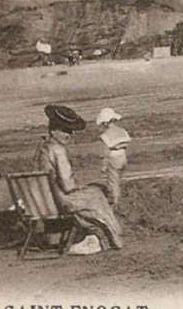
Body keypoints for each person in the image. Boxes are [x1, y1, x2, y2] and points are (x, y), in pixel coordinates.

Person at [34, 105, 123, 255]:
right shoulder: (58, 150)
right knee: (97, 193)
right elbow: (68, 184)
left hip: (45, 199)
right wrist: (81, 188)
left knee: (92, 193)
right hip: (61, 200)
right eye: (66, 130)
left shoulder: (43, 147)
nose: (70, 134)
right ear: (54, 130)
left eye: (70, 130)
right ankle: (102, 237)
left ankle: (94, 236)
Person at [96, 107, 130, 206]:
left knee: (113, 181)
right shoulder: (122, 131)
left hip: (113, 158)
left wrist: (104, 166)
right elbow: (126, 143)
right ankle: (119, 198)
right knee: (118, 178)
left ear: (105, 123)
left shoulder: (105, 135)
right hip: (123, 157)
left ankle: (116, 202)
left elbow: (105, 153)